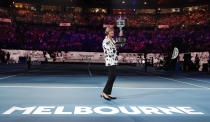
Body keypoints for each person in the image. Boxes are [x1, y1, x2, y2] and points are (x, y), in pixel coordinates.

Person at [101, 27, 122, 100]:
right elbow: (110, 51)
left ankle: (108, 93)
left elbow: (119, 45)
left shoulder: (112, 40)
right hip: (110, 60)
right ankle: (104, 92)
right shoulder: (106, 41)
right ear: (107, 32)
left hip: (114, 60)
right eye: (111, 32)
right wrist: (116, 47)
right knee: (111, 76)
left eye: (113, 32)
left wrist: (120, 37)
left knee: (113, 76)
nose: (113, 33)